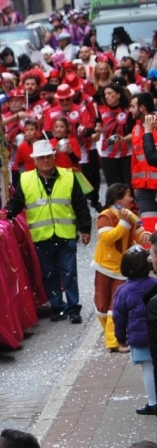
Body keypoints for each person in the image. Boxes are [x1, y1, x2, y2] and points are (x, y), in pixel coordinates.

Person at [3, 140, 92, 323]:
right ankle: (58, 307)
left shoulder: (68, 176)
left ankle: (73, 308)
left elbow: (80, 204)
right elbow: (17, 202)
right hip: (42, 237)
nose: (45, 160)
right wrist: (6, 214)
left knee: (69, 272)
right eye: (41, 158)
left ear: (54, 157)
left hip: (66, 234)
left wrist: (85, 228)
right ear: (35, 161)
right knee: (49, 274)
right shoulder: (26, 179)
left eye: (48, 157)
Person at [92, 183, 146, 352]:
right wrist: (123, 223)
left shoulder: (131, 216)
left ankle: (114, 341)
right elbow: (107, 238)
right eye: (128, 195)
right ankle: (110, 333)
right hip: (105, 266)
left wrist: (149, 237)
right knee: (101, 305)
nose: (132, 198)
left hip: (122, 268)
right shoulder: (105, 216)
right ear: (118, 198)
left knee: (115, 305)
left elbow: (139, 234)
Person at [113, 247, 157, 415]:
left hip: (140, 337)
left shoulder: (123, 290)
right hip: (155, 332)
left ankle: (153, 402)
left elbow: (119, 317)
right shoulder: (154, 283)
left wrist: (121, 337)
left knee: (147, 369)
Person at [98, 83, 135, 187]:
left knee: (129, 185)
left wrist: (122, 139)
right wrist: (96, 132)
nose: (107, 96)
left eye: (110, 93)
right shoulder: (101, 111)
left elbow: (134, 133)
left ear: (118, 95)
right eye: (105, 94)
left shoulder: (128, 111)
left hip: (127, 154)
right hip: (108, 155)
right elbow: (95, 135)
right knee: (114, 187)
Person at [131, 93, 157, 227]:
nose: (130, 110)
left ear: (142, 108)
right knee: (147, 228)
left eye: (132, 106)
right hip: (143, 187)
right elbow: (135, 160)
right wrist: (135, 184)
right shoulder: (135, 129)